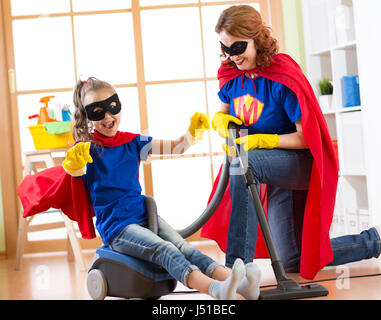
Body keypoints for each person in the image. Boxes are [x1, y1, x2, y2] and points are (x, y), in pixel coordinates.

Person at [200, 5, 381, 280]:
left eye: (238, 47)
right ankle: (374, 241)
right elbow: (226, 116)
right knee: (294, 261)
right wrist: (220, 122)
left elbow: (305, 138)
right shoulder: (230, 75)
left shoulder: (281, 74)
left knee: (244, 161)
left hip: (298, 163)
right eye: (225, 48)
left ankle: (237, 268)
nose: (232, 56)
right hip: (264, 166)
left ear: (257, 39)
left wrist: (264, 139)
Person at [61, 76, 262, 300]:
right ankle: (215, 290)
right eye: (98, 112)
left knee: (185, 248)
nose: (108, 117)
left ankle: (242, 285)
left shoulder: (132, 142)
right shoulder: (87, 149)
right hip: (118, 228)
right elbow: (76, 179)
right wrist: (75, 168)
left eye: (113, 107)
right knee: (165, 249)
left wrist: (191, 134)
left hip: (145, 216)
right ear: (88, 116)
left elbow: (175, 147)